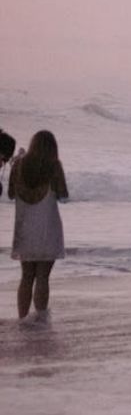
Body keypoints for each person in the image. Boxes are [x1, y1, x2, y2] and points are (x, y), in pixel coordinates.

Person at [8, 130, 68, 326]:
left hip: (24, 229)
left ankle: (22, 318)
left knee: (26, 276)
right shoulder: (54, 166)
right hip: (47, 229)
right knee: (43, 276)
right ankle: (40, 319)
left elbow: (10, 194)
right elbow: (63, 196)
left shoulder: (18, 165)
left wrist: (18, 160)